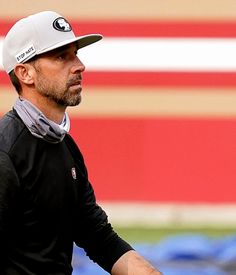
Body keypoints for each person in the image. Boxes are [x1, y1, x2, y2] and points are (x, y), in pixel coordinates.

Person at [0, 11, 162, 275]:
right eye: (61, 57)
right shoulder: (5, 153)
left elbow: (98, 237)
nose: (79, 65)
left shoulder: (65, 147)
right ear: (25, 73)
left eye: (75, 54)